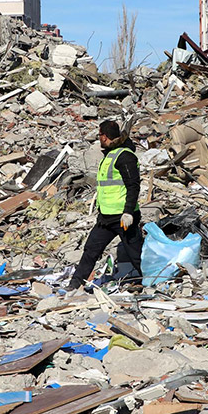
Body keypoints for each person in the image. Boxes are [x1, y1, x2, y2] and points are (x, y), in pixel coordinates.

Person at [68, 120, 143, 290]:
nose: (99, 138)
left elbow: (133, 186)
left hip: (123, 217)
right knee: (91, 250)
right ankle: (74, 285)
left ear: (105, 136)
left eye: (100, 134)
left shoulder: (125, 156)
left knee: (136, 253)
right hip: (106, 218)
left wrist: (129, 211)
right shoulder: (110, 154)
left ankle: (151, 281)